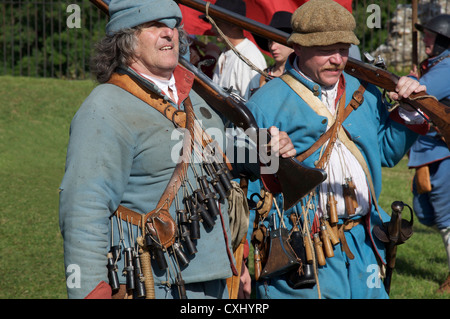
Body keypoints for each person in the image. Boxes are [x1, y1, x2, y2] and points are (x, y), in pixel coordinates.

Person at [59, 0, 296, 299]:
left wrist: (267, 153)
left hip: (217, 278)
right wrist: (91, 292)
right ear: (126, 40)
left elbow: (221, 155)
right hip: (152, 282)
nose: (169, 33)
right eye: (155, 25)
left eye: (172, 24)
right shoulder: (104, 108)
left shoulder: (194, 97)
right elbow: (83, 208)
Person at [245, 0, 428, 299]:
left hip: (364, 239)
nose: (337, 59)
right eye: (326, 50)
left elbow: (385, 152)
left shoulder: (364, 92)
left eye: (343, 49)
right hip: (303, 246)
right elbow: (249, 191)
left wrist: (409, 109)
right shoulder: (263, 104)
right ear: (299, 48)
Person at [407, 14, 450, 294]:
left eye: (431, 34)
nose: (425, 38)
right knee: (424, 212)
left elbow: (417, 95)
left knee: (446, 218)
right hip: (429, 151)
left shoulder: (445, 68)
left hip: (442, 151)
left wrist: (409, 81)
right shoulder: (436, 64)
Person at [200, 0, 267, 101]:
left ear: (234, 24)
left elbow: (253, 103)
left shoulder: (250, 55)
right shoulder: (226, 52)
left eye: (217, 24)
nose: (212, 29)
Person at [252, 11, 295, 89]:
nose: (273, 47)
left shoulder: (304, 78)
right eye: (270, 41)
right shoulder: (259, 78)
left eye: (278, 41)